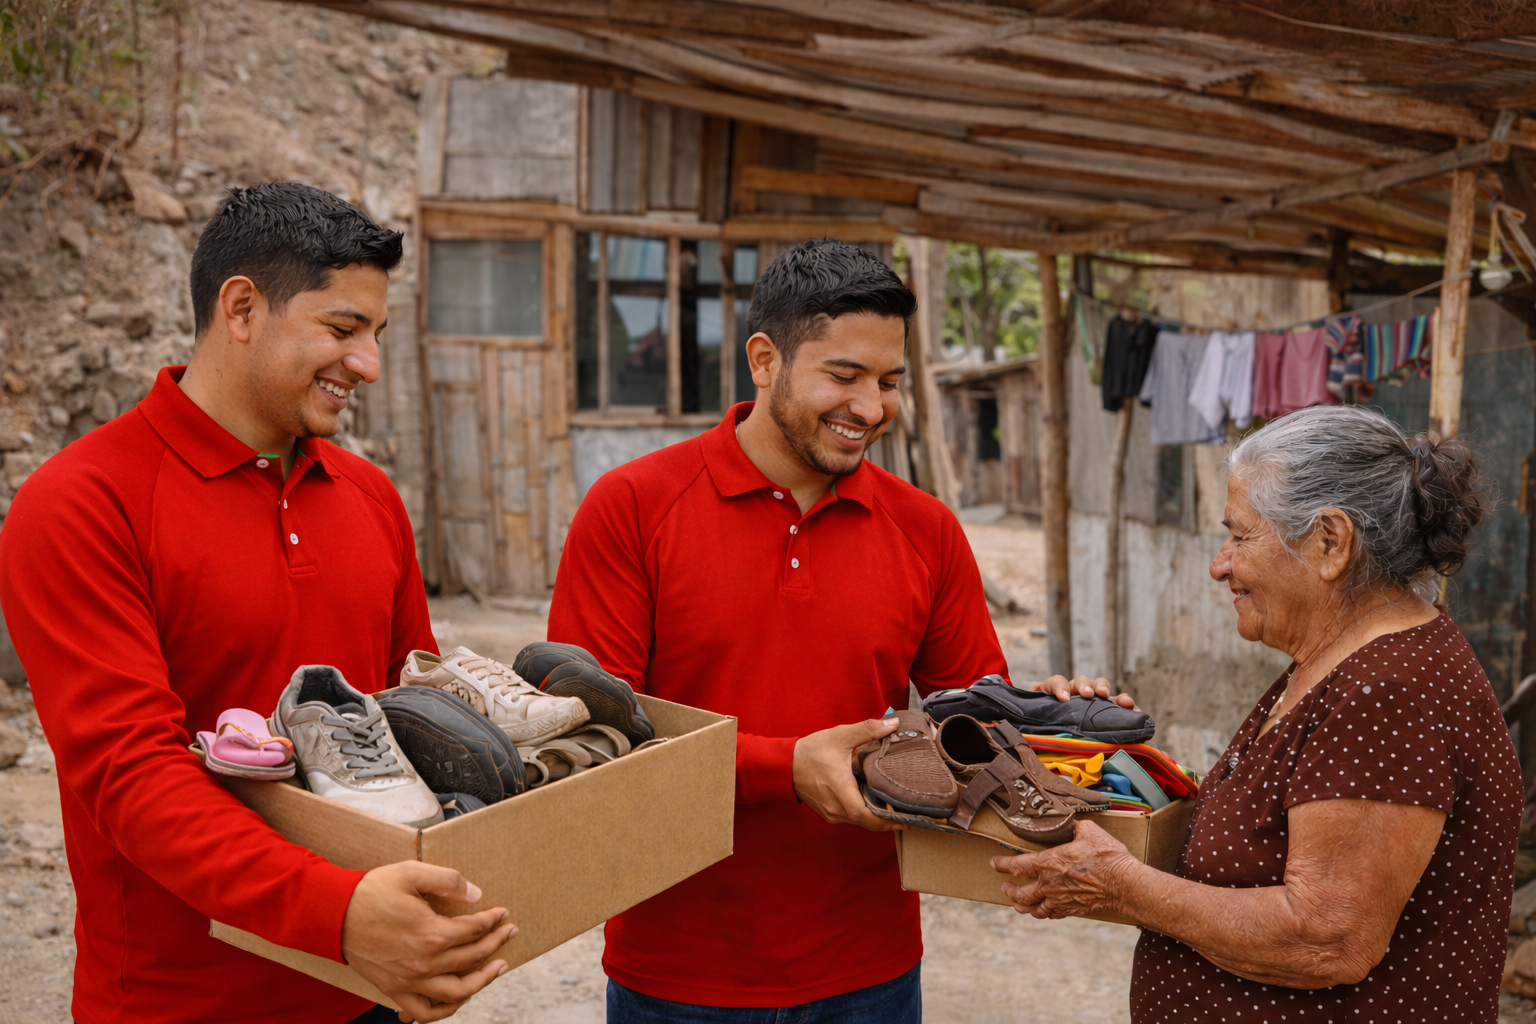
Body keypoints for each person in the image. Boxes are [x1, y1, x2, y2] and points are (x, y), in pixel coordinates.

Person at [549, 239, 1129, 1022]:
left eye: (889, 382)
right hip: (679, 970)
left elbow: (976, 719)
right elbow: (594, 744)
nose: (871, 407)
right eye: (844, 375)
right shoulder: (633, 508)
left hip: (872, 971)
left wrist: (1048, 713)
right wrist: (783, 766)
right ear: (764, 359)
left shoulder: (926, 529)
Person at [0, 182, 515, 1024]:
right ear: (241, 308)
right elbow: (132, 776)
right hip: (182, 1004)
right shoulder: (83, 503)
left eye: (376, 335)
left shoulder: (371, 496)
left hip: (371, 990)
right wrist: (336, 913)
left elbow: (411, 717)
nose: (369, 365)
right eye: (343, 329)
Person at [992, 404, 1521, 1022]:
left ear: (1330, 541)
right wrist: (1107, 758)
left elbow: (1326, 937)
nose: (1221, 564)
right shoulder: (1339, 663)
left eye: (1241, 536)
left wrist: (1124, 887)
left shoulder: (1389, 691)